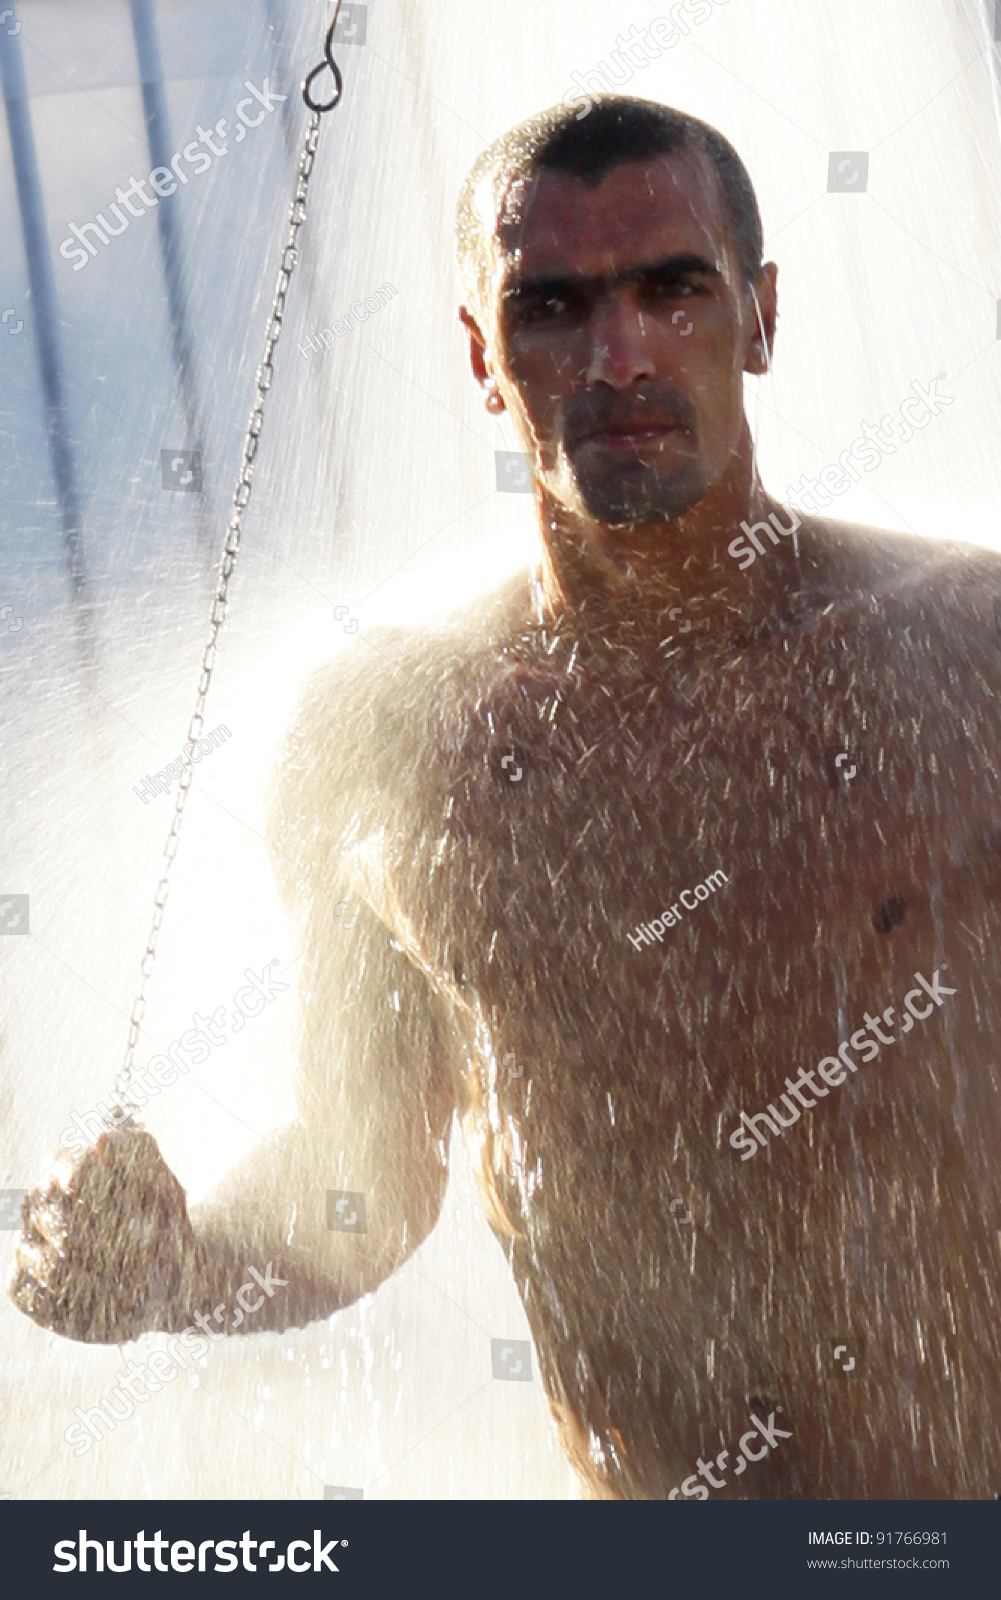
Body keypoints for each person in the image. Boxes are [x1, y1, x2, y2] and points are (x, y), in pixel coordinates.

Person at [10, 96, 1001, 1500]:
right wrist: (172, 1269)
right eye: (550, 309)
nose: (617, 357)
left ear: (760, 319)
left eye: (673, 292)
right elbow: (358, 1196)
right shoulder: (387, 737)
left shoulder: (973, 656)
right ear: (483, 356)